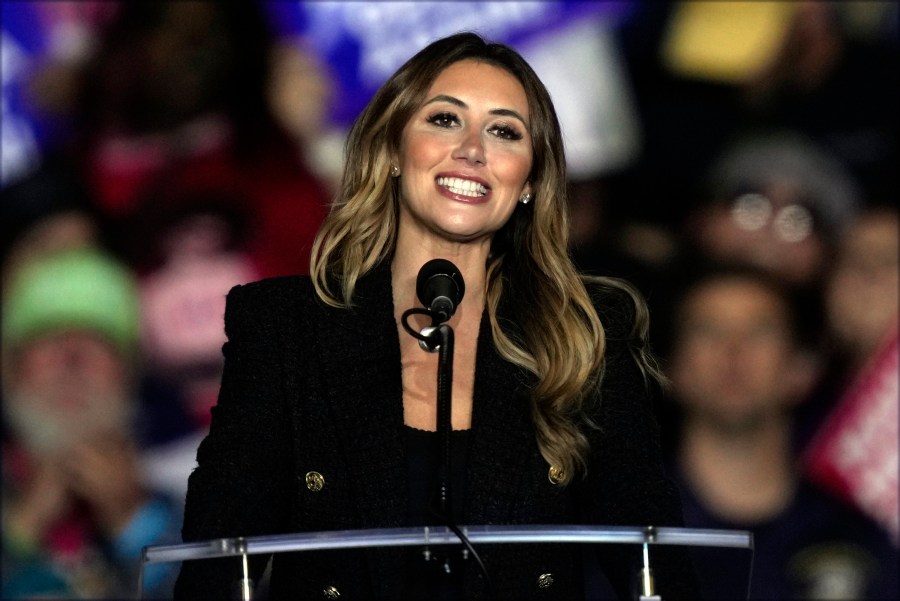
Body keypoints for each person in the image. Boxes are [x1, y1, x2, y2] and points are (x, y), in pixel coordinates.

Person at [175, 32, 697, 600]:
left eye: (504, 131)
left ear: (529, 182)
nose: (473, 148)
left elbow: (653, 567)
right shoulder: (283, 325)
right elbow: (217, 560)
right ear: (394, 151)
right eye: (445, 119)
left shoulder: (585, 332)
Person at [662, 263, 898, 600]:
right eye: (707, 331)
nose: (733, 352)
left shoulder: (857, 543)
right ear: (673, 370)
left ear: (801, 370)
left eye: (760, 331)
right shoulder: (622, 535)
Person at [1, 247, 181, 599]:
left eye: (96, 340)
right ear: (10, 370)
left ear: (129, 375)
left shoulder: (192, 505)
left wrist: (135, 522)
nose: (72, 357)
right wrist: (20, 530)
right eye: (48, 337)